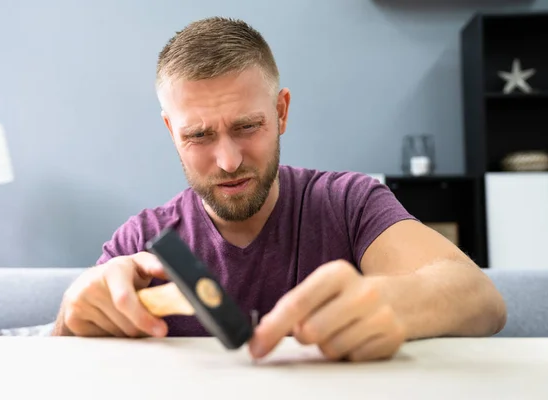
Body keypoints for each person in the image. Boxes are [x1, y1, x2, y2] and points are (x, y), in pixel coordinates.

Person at [51, 16, 507, 362]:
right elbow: (60, 367)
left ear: (281, 111)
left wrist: (396, 302)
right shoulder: (139, 243)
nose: (228, 161)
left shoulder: (349, 204)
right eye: (198, 136)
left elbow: (482, 301)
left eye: (248, 126)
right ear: (172, 131)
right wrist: (68, 320)